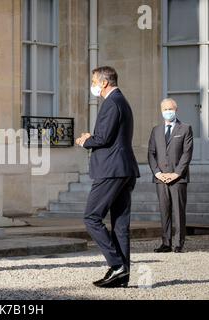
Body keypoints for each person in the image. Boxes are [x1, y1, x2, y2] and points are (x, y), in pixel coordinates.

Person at [76, 66, 140, 288]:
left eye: (94, 80)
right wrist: (94, 137)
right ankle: (123, 275)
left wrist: (86, 140)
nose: (92, 85)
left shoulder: (112, 102)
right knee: (120, 225)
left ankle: (117, 265)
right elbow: (111, 136)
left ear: (104, 83)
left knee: (92, 217)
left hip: (111, 170)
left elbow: (103, 138)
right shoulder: (121, 101)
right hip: (123, 169)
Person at [148, 98, 193, 254]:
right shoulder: (156, 130)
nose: (168, 111)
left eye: (170, 109)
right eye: (165, 109)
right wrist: (158, 173)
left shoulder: (185, 129)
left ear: (176, 109)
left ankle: (179, 243)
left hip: (178, 178)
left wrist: (176, 173)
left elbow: (187, 154)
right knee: (164, 211)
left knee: (178, 211)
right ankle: (166, 243)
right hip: (161, 179)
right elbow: (151, 153)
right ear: (161, 111)